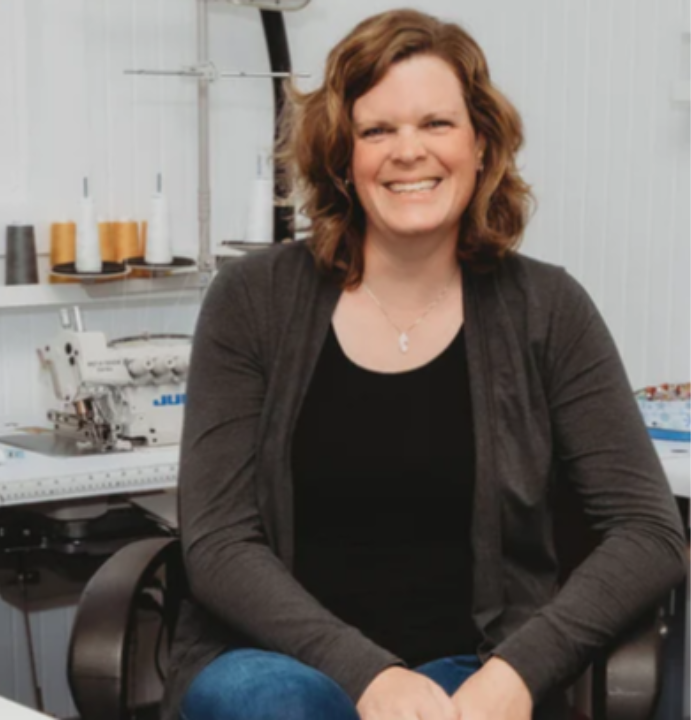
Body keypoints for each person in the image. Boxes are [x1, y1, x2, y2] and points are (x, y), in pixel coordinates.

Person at [165, 8, 686, 720]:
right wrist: (372, 678)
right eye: (377, 130)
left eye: (436, 125)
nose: (408, 152)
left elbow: (649, 533)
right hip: (277, 664)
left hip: (468, 671)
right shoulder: (252, 302)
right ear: (344, 157)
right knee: (273, 705)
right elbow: (219, 543)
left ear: (481, 145)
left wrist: (517, 674)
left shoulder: (550, 310)